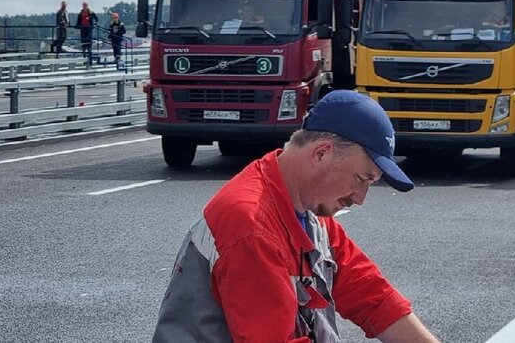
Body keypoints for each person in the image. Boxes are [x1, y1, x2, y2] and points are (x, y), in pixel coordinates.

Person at [152, 90, 441, 343]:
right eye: (362, 178)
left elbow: (372, 296)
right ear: (321, 153)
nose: (360, 198)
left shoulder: (308, 211)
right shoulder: (251, 224)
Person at [76, 2, 97, 67]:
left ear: (87, 6)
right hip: (83, 28)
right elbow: (78, 21)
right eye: (83, 5)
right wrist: (77, 26)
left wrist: (95, 24)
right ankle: (84, 58)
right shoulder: (81, 13)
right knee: (84, 42)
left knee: (88, 41)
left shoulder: (91, 12)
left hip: (89, 28)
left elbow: (96, 18)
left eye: (85, 5)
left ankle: (89, 57)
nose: (84, 6)